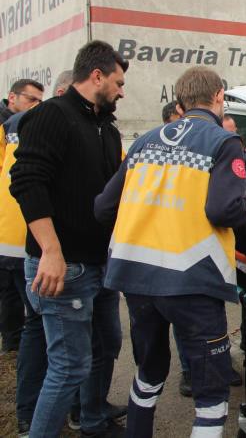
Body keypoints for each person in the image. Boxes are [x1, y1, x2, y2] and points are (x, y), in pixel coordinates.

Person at [94, 66, 246, 438]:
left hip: (135, 277)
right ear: (219, 97)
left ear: (179, 102)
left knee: (149, 373)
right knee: (211, 393)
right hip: (191, 277)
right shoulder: (223, 141)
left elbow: (103, 207)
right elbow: (223, 210)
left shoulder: (144, 141)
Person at [10, 41, 127, 437]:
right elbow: (27, 181)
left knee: (107, 344)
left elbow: (112, 195)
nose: (122, 91)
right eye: (118, 82)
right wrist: (51, 251)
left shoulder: (107, 130)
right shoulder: (50, 116)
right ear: (96, 76)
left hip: (100, 265)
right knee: (68, 365)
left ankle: (91, 419)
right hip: (64, 267)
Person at [0, 79, 44, 357]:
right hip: (21, 234)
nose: (37, 106)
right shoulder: (11, 127)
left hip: (11, 235)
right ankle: (16, 349)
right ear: (12, 97)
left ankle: (12, 348)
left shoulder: (8, 126)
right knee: (34, 312)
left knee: (12, 297)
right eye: (32, 100)